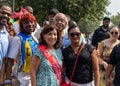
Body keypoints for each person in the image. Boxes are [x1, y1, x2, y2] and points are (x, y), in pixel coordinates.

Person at [6, 12, 38, 86]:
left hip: (34, 75)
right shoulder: (18, 39)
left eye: (31, 22)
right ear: (22, 26)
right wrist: (8, 79)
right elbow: (10, 61)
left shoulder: (34, 38)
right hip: (22, 77)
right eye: (26, 23)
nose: (30, 24)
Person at [0, 3, 12, 85]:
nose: (6, 16)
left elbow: (4, 60)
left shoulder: (6, 35)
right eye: (3, 12)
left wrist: (1, 81)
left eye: (8, 14)